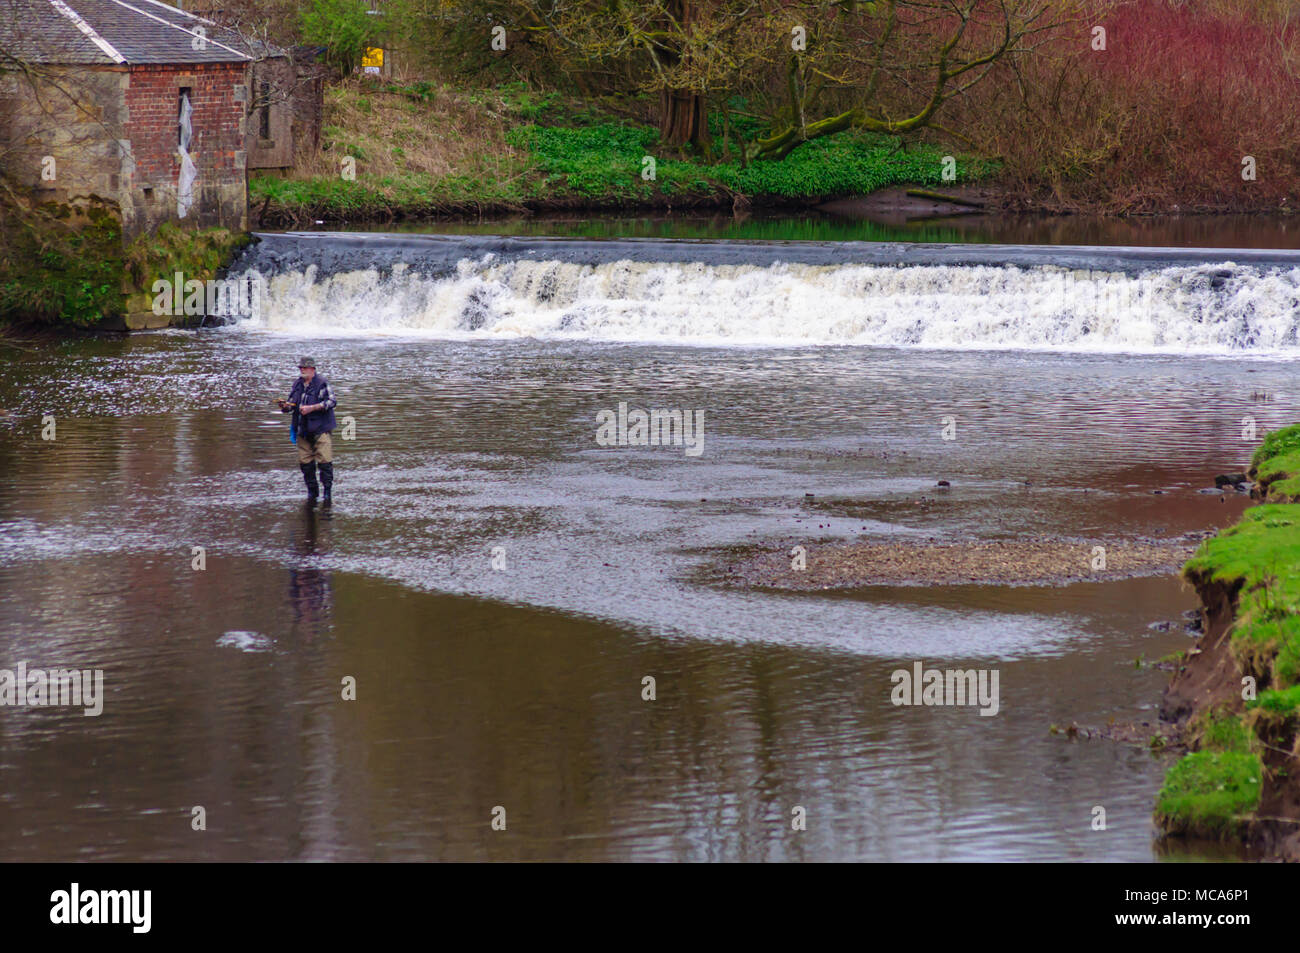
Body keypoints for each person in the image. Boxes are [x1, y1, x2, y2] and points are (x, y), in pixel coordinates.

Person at [277, 357, 338, 502]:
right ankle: (312, 493)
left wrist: (312, 408)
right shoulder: (297, 384)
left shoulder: (322, 383)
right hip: (302, 431)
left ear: (313, 369)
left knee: (325, 463)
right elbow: (291, 405)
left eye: (305, 368)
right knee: (305, 464)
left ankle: (327, 494)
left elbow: (332, 402)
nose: (302, 370)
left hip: (321, 430)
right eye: (300, 368)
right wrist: (285, 407)